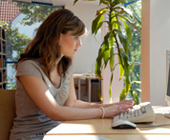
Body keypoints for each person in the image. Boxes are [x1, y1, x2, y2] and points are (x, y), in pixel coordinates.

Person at [9, 9, 134, 140]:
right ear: (57, 36)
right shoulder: (29, 66)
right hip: (31, 136)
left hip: (57, 132)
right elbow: (54, 112)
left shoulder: (65, 66)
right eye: (75, 37)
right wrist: (103, 112)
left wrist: (112, 107)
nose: (80, 43)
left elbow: (72, 104)